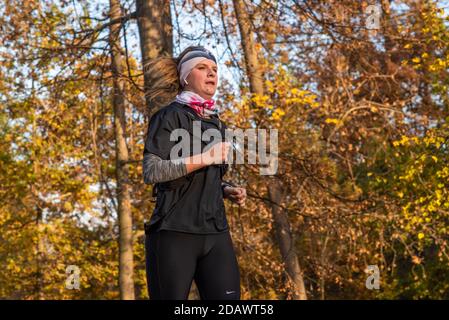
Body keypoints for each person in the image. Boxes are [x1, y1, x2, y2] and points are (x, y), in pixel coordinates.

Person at [142, 45, 247, 300]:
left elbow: (205, 178)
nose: (211, 73)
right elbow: (152, 171)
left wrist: (225, 189)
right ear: (185, 76)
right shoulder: (167, 117)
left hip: (215, 231)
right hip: (175, 232)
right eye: (202, 68)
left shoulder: (216, 122)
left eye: (214, 69)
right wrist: (205, 157)